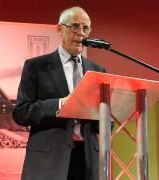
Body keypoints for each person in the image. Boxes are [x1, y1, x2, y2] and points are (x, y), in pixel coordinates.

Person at [13, 6, 106, 180]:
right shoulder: (36, 66)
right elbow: (21, 112)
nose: (81, 33)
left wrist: (105, 112)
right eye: (75, 26)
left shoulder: (98, 71)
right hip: (48, 160)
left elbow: (106, 124)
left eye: (86, 28)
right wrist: (60, 104)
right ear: (59, 28)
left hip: (88, 160)